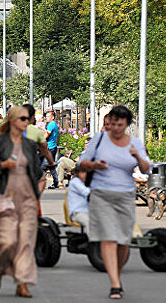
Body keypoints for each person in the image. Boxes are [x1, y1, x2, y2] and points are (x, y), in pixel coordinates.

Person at [78, 105, 150, 300]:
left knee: (123, 240)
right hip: (101, 193)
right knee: (108, 237)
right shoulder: (99, 140)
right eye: (113, 124)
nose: (116, 128)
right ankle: (115, 284)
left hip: (125, 195)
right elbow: (82, 163)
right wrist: (94, 165)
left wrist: (136, 156)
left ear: (127, 124)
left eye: (120, 124)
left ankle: (116, 273)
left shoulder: (135, 143)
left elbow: (145, 169)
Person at [0, 106, 42, 298]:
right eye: (23, 119)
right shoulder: (0, 142)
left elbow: (37, 172)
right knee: (8, 241)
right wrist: (3, 165)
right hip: (5, 196)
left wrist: (38, 193)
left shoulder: (29, 144)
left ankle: (22, 282)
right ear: (12, 120)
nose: (27, 122)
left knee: (26, 242)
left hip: (27, 198)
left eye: (28, 119)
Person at [22, 104, 55, 192]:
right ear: (32, 117)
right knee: (41, 179)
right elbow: (45, 150)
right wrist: (51, 162)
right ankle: (35, 198)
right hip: (30, 164)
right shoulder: (36, 132)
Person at [67, 167, 90, 232]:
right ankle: (93, 240)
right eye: (82, 172)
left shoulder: (86, 182)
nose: (85, 174)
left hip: (88, 212)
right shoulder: (75, 182)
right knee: (89, 222)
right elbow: (87, 192)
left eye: (86, 172)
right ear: (77, 173)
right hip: (77, 213)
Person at [43, 111, 60, 189]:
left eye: (48, 116)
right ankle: (56, 182)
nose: (46, 117)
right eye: (46, 116)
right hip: (53, 147)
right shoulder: (54, 125)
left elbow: (46, 136)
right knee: (51, 166)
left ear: (52, 117)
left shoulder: (51, 125)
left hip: (50, 148)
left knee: (43, 165)